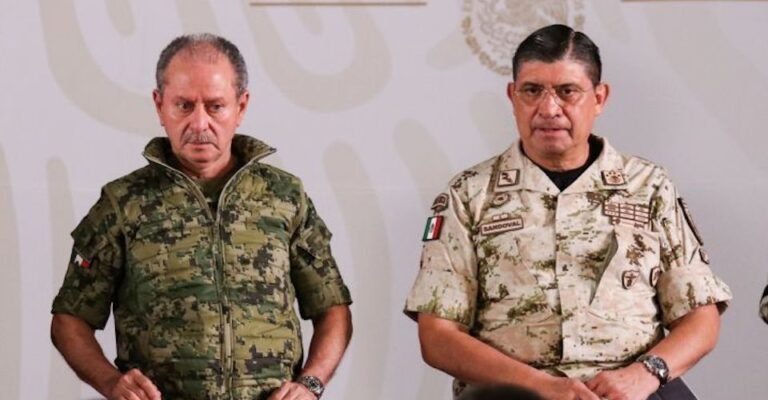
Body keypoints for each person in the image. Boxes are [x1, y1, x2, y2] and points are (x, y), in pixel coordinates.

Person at [404, 24, 731, 400]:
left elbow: (700, 318)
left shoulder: (649, 185)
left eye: (567, 92)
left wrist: (646, 373)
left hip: (634, 388)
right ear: (512, 96)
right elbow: (438, 336)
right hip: (512, 392)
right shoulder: (469, 194)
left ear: (599, 97)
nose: (548, 108)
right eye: (532, 91)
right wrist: (542, 386)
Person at [50, 33, 353, 400]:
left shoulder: (285, 197)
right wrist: (111, 383)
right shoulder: (124, 203)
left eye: (215, 106)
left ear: (241, 107)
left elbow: (332, 308)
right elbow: (70, 319)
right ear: (159, 106)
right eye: (183, 105)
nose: (199, 122)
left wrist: (312, 384)